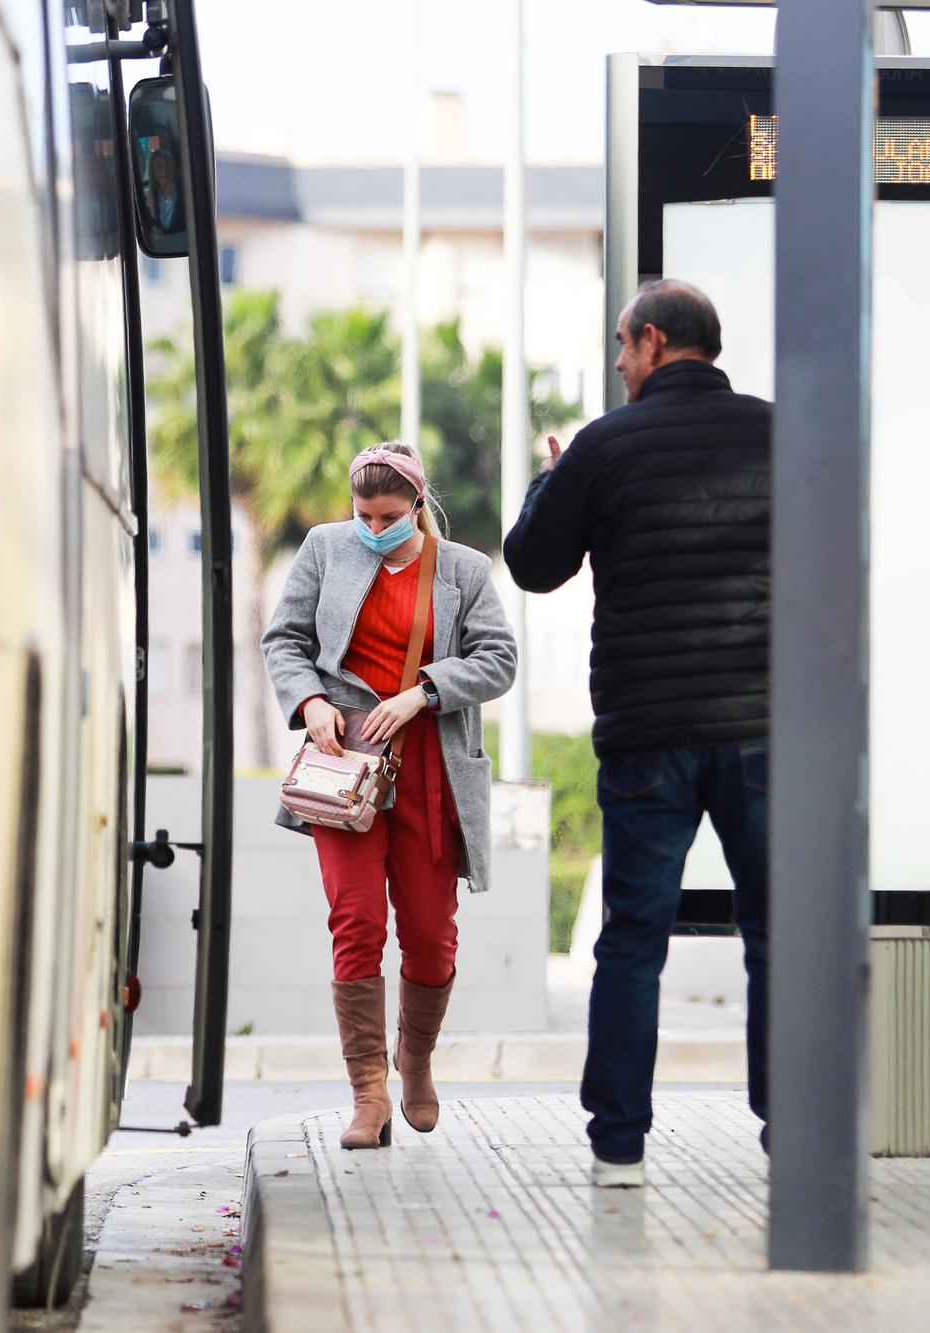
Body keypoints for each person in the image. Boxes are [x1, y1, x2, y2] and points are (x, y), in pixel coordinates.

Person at [501, 280, 772, 1186]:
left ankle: (619, 1141)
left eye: (622, 346)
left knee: (633, 938)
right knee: (777, 931)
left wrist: (551, 477)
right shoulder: (782, 432)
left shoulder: (603, 447)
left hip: (649, 729)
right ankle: (792, 1127)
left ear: (653, 341)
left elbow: (534, 564)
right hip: (762, 728)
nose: (618, 363)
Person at [263, 442, 518, 1149]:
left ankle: (418, 1058)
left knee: (433, 940)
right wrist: (310, 699)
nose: (372, 528)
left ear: (416, 504)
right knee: (356, 923)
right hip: (341, 768)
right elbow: (283, 638)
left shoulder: (463, 569)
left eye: (386, 515)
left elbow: (500, 658)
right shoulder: (324, 548)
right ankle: (368, 1093)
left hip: (430, 770)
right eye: (362, 514)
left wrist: (423, 693)